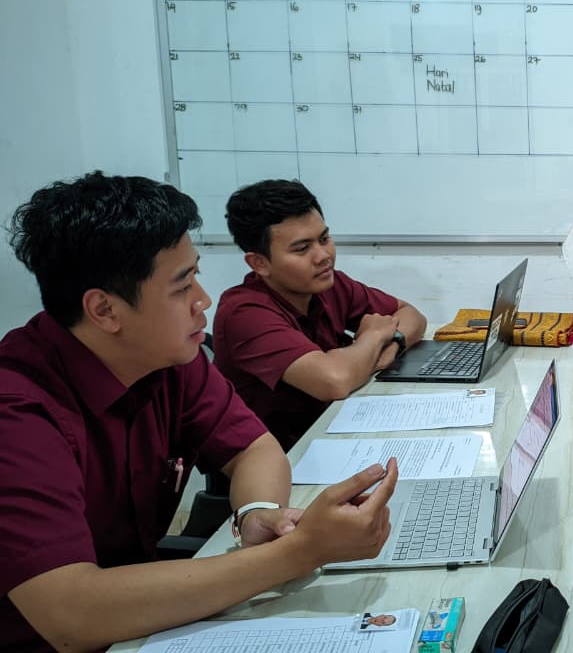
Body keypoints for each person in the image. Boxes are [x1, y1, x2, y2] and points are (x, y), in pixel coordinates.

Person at [0, 172, 400, 652]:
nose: (202, 301)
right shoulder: (17, 411)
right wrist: (301, 551)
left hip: (146, 622)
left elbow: (254, 447)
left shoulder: (165, 359)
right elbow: (71, 614)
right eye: (182, 286)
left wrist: (257, 512)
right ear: (105, 311)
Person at [213, 180, 427, 450]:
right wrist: (373, 337)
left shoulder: (329, 284)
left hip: (335, 430)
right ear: (259, 263)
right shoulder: (243, 312)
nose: (324, 256)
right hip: (282, 458)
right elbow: (335, 381)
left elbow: (412, 315)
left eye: (324, 239)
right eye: (302, 249)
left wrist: (393, 341)